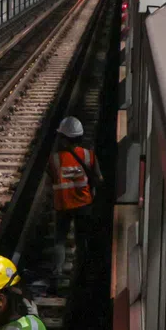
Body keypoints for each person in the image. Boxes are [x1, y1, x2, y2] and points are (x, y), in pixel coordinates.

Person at [48, 116, 102, 285]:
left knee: (60, 240)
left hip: (63, 205)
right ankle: (82, 275)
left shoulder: (54, 159)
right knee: (82, 239)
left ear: (64, 138)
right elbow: (99, 178)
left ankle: (57, 274)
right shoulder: (88, 155)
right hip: (84, 204)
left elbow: (51, 180)